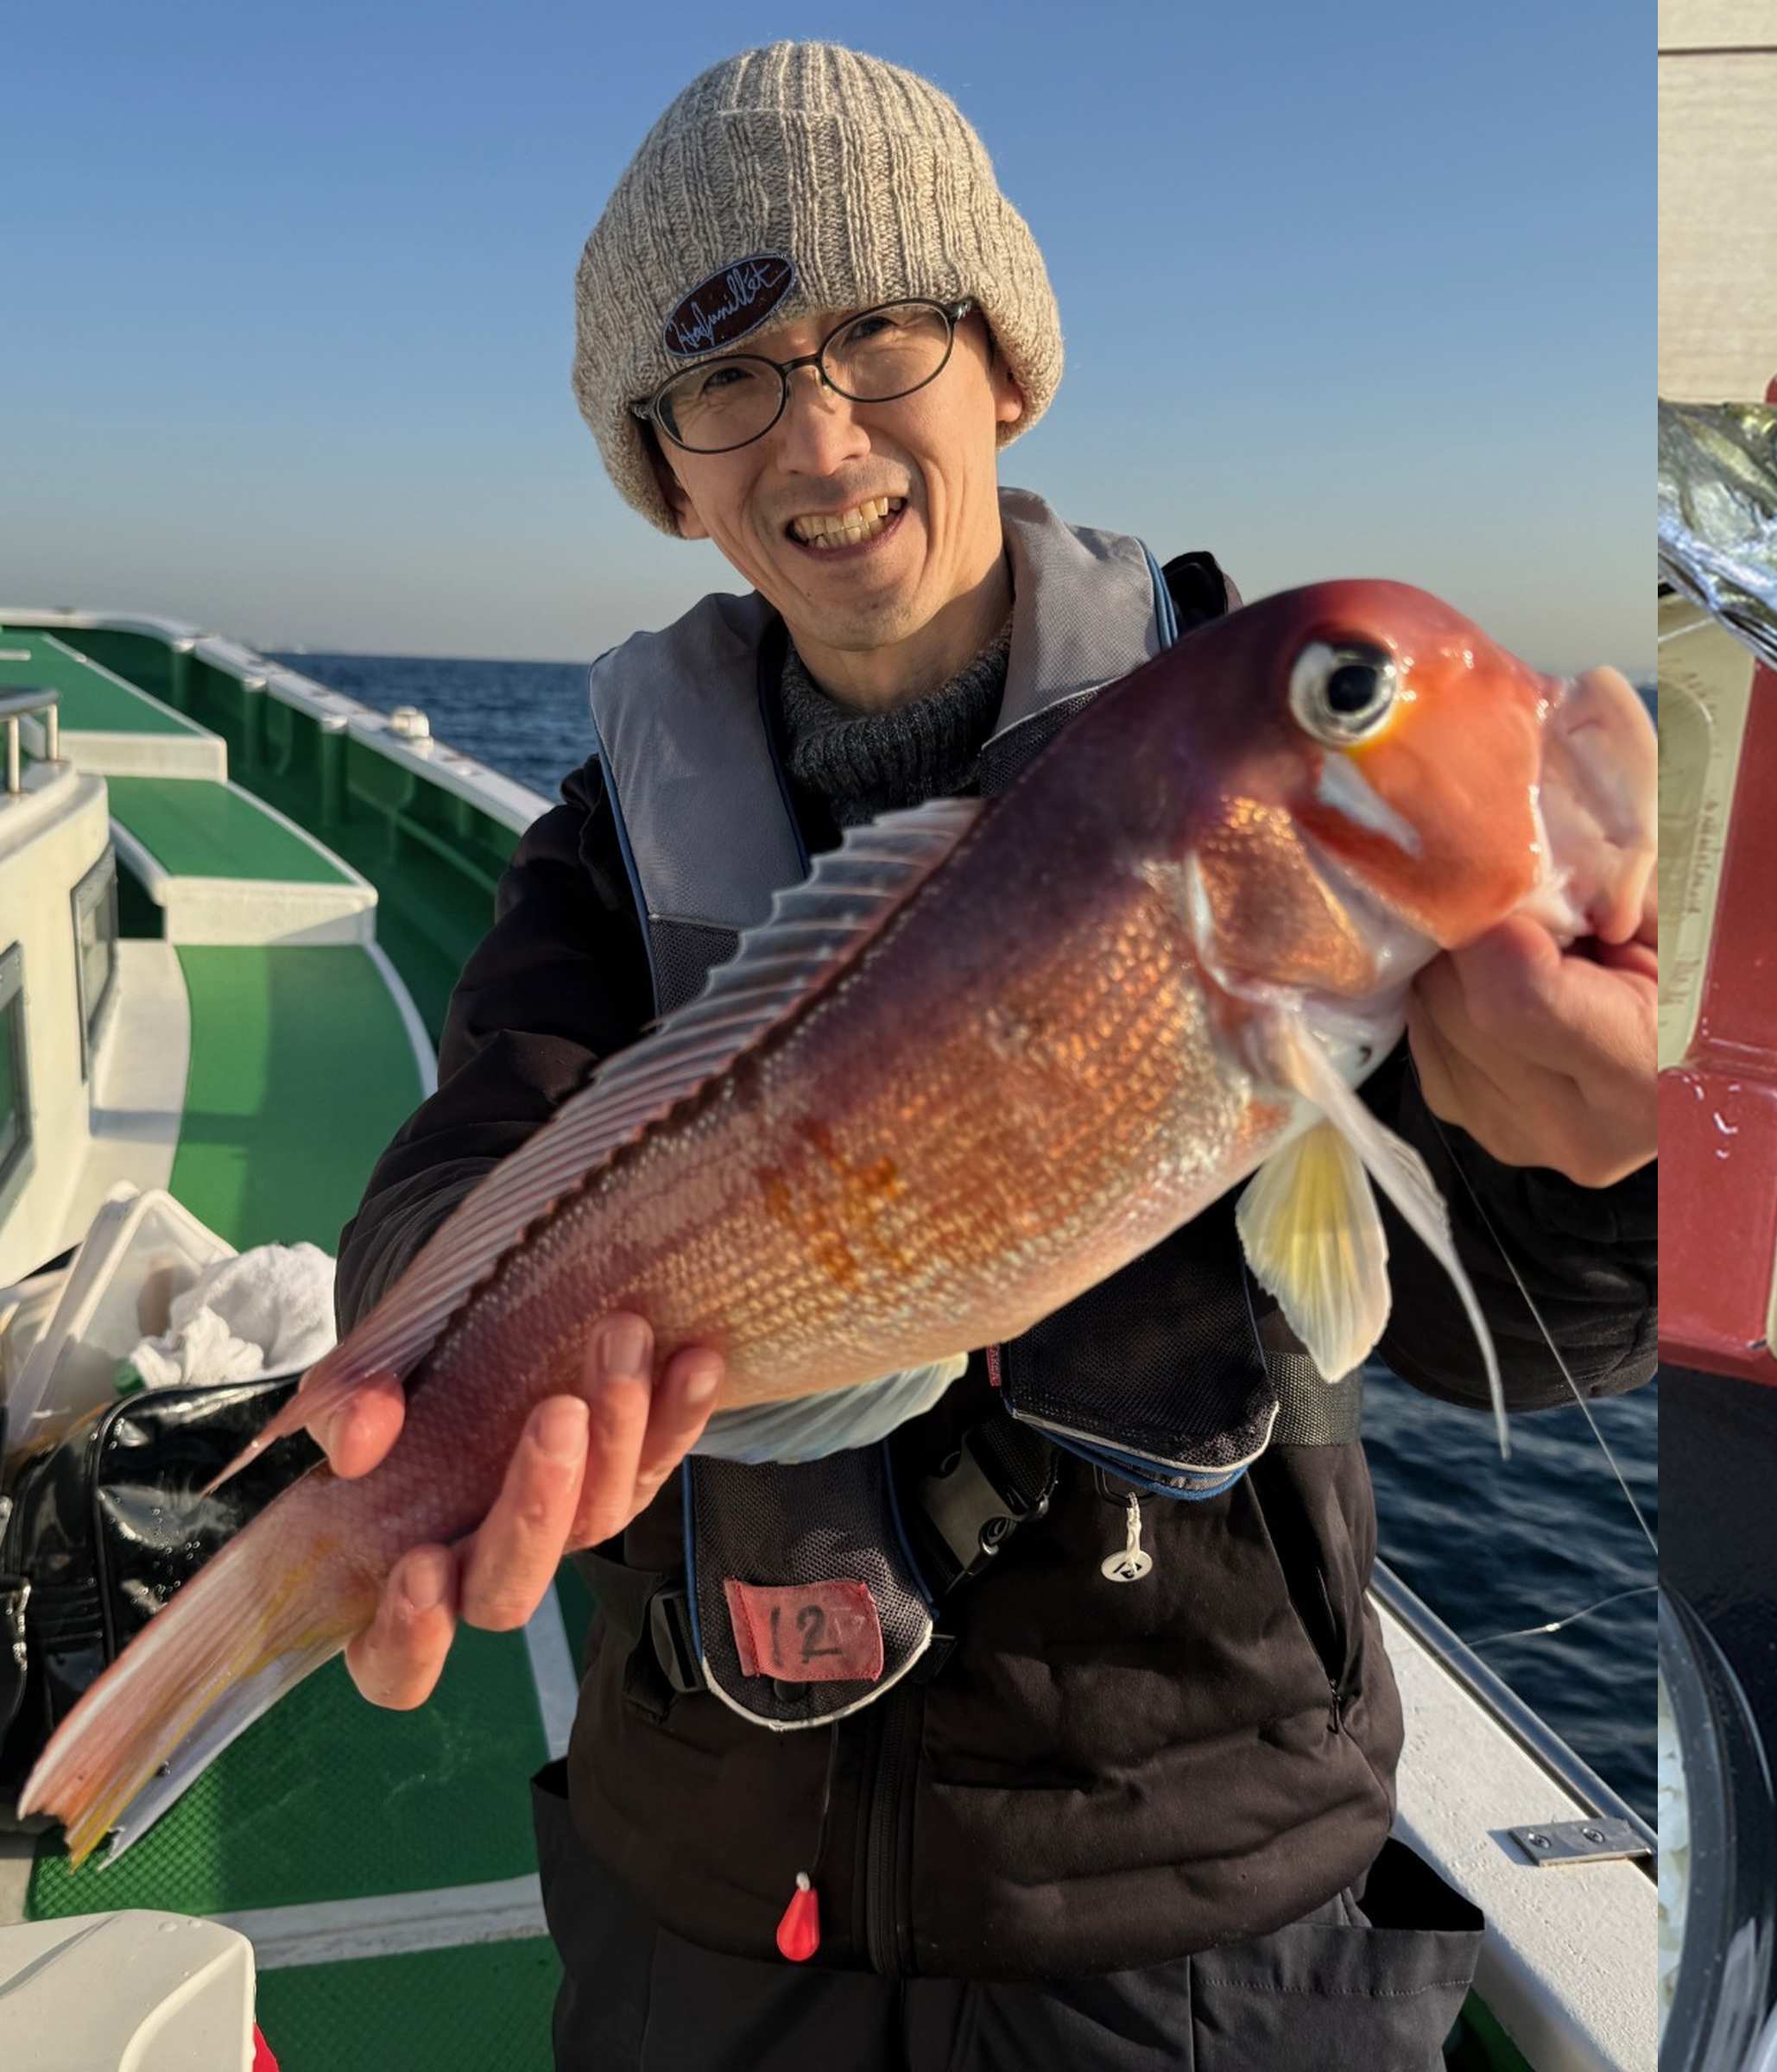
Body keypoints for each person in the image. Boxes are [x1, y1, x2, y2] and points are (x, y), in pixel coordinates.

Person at [315, 42, 1656, 2070]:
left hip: (1194, 1916)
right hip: (704, 1902)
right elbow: (477, 1137)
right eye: (729, 375)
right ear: (670, 468)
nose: (819, 429)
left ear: (1005, 365)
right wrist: (416, 1360)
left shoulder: (1250, 773)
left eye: (879, 333)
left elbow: (1518, 1335)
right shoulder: (608, 841)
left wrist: (1598, 1163)